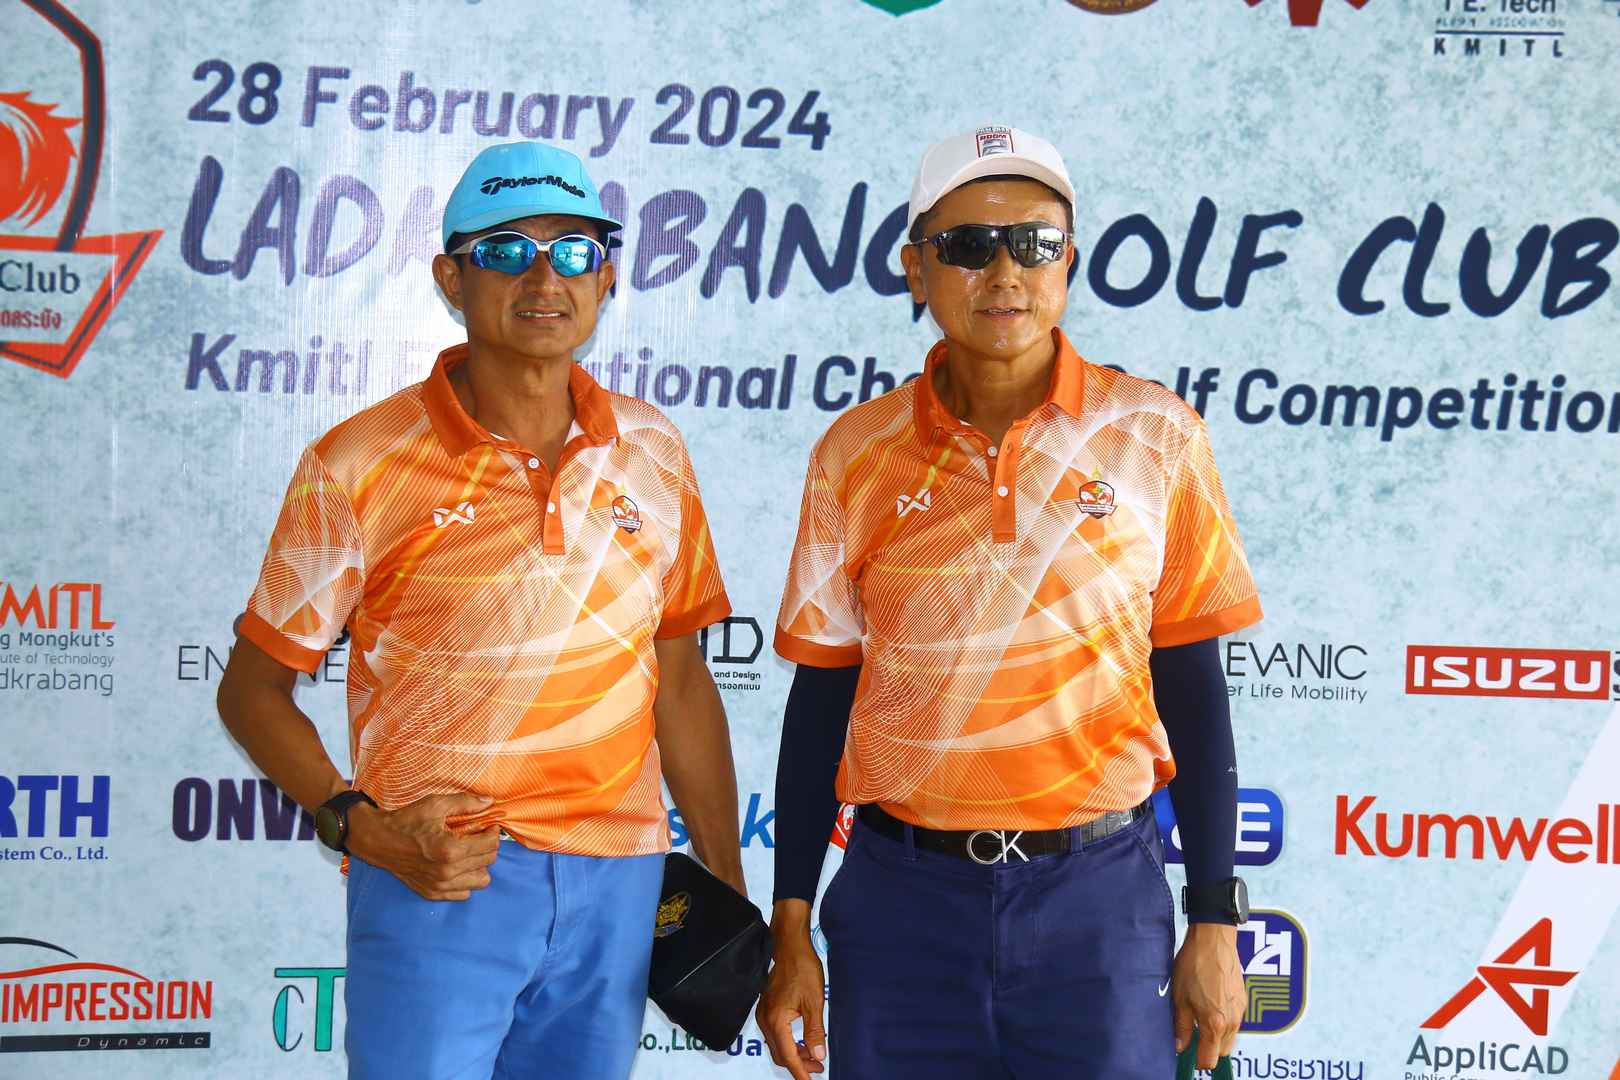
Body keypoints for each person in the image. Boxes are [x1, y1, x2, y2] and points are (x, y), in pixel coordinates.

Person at [217, 140, 744, 1080]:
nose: (545, 278)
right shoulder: (360, 462)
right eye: (506, 251)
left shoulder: (654, 450)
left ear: (608, 278)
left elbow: (680, 681)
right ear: (451, 279)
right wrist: (361, 826)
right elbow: (252, 691)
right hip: (442, 875)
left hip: (620, 885)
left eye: (573, 250)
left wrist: (728, 887)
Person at [758, 125, 1263, 1079]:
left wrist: (1213, 919)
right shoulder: (854, 455)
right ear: (916, 269)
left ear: (1069, 261)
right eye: (967, 245)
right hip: (901, 905)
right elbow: (822, 698)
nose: (1004, 272)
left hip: (1098, 904)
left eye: (1034, 243)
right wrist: (790, 924)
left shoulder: (1154, 437)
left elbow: (1194, 688)